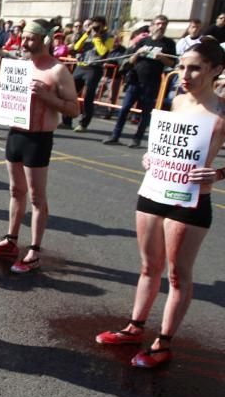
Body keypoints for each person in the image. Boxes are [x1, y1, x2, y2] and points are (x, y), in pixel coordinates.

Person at [95, 38, 225, 368]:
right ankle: (134, 327)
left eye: (195, 68)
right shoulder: (178, 101)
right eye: (182, 66)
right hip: (155, 190)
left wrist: (219, 172)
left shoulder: (222, 109)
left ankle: (163, 342)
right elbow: (167, 144)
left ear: (217, 71)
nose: (186, 74)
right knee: (148, 267)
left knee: (178, 275)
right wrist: (151, 157)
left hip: (191, 200)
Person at [0, 20, 78, 273]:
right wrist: (1, 88)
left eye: (31, 38)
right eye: (23, 37)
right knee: (15, 191)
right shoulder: (20, 67)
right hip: (16, 134)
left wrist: (47, 97)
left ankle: (34, 249)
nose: (25, 42)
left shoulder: (57, 71)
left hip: (39, 138)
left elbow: (74, 109)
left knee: (36, 196)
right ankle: (11, 241)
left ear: (45, 39)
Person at [103, 15, 177, 148]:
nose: (161, 26)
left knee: (145, 112)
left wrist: (162, 58)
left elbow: (172, 63)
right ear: (152, 26)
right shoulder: (143, 41)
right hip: (135, 80)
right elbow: (130, 60)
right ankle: (115, 135)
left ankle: (137, 138)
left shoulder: (169, 43)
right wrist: (137, 53)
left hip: (152, 82)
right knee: (124, 109)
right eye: (159, 24)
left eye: (164, 24)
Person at [67, 16, 114, 131]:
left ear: (103, 26)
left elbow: (103, 52)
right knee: (70, 93)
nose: (96, 28)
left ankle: (83, 124)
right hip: (81, 66)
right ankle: (66, 121)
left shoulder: (109, 37)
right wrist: (86, 34)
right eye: (94, 25)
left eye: (98, 26)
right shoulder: (86, 34)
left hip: (94, 69)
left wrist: (97, 38)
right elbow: (77, 47)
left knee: (88, 97)